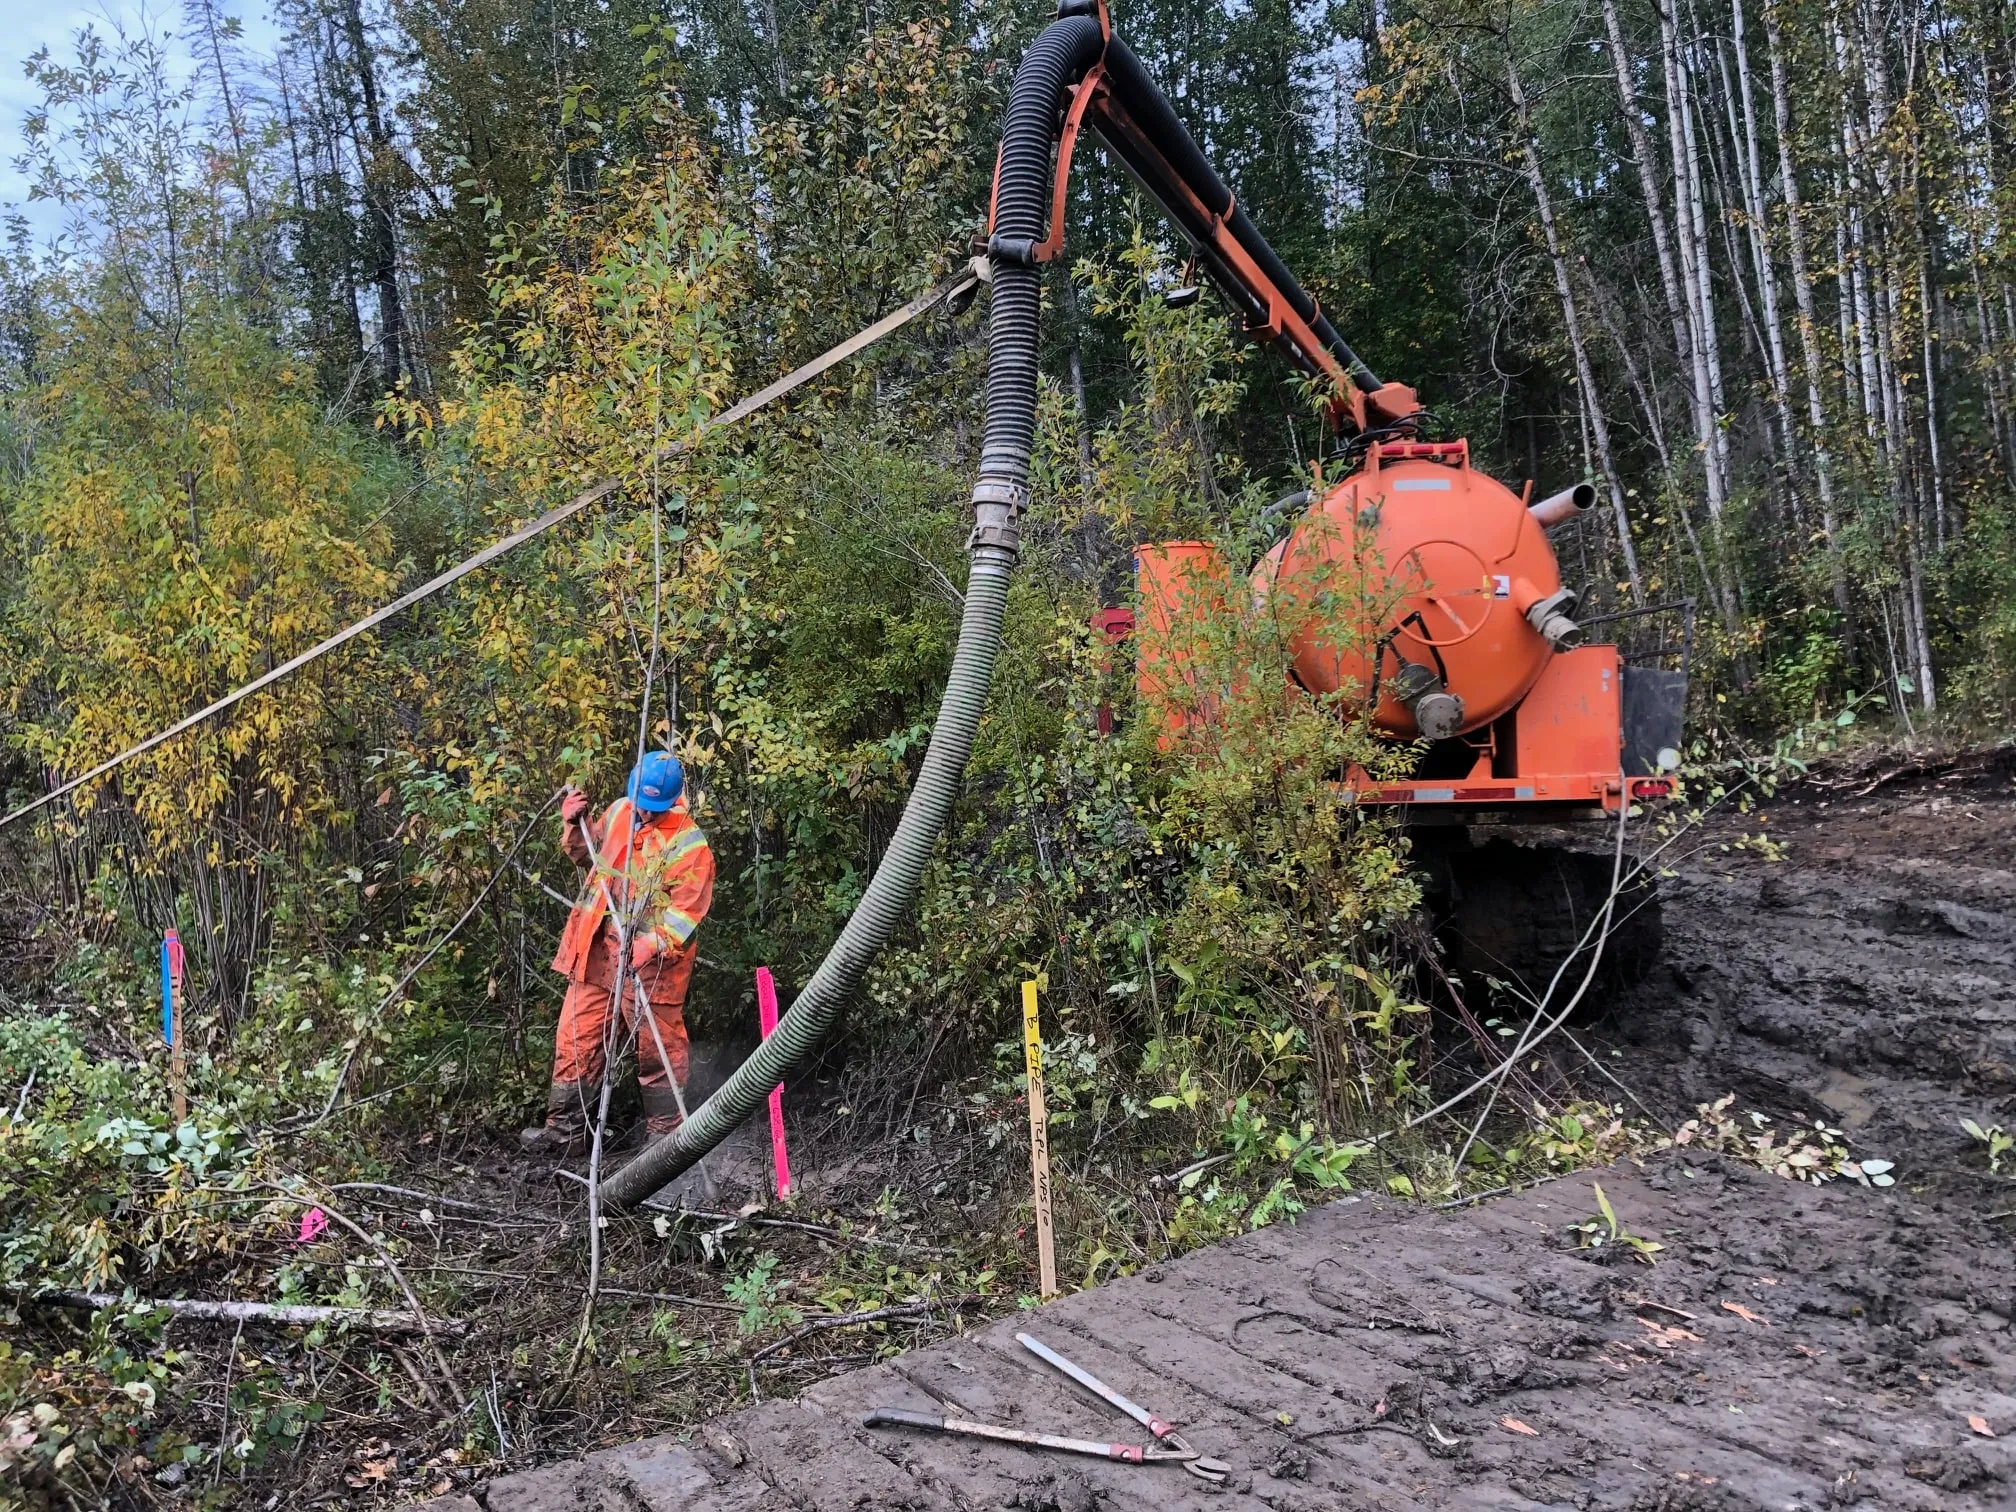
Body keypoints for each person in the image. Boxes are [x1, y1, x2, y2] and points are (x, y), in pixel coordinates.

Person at [520, 751, 715, 1155]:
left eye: (652, 807)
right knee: (577, 1037)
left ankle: (666, 1139)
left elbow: (687, 912)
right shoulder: (620, 811)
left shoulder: (689, 844)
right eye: (640, 803)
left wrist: (651, 943)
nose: (643, 811)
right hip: (597, 951)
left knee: (655, 1048)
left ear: (672, 801)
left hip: (653, 968)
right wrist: (574, 825)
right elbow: (586, 855)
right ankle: (566, 1131)